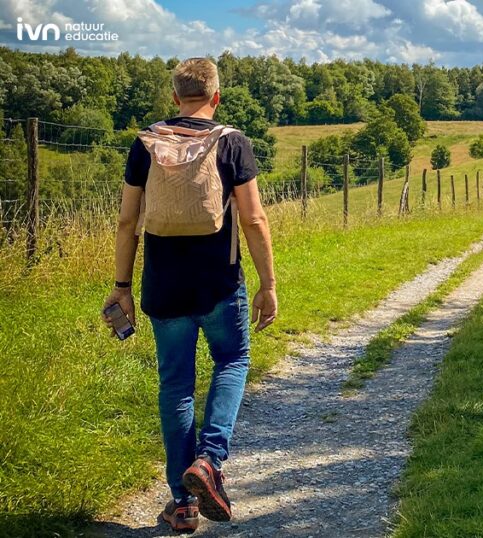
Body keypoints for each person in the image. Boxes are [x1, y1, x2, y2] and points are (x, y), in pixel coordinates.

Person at [102, 57, 278, 534]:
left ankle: (181, 504)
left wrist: (122, 287)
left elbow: (126, 222)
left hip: (163, 287)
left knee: (176, 386)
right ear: (216, 97)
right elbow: (254, 219)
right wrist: (268, 283)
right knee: (233, 360)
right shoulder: (231, 142)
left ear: (175, 98)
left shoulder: (146, 144)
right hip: (220, 284)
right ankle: (210, 460)